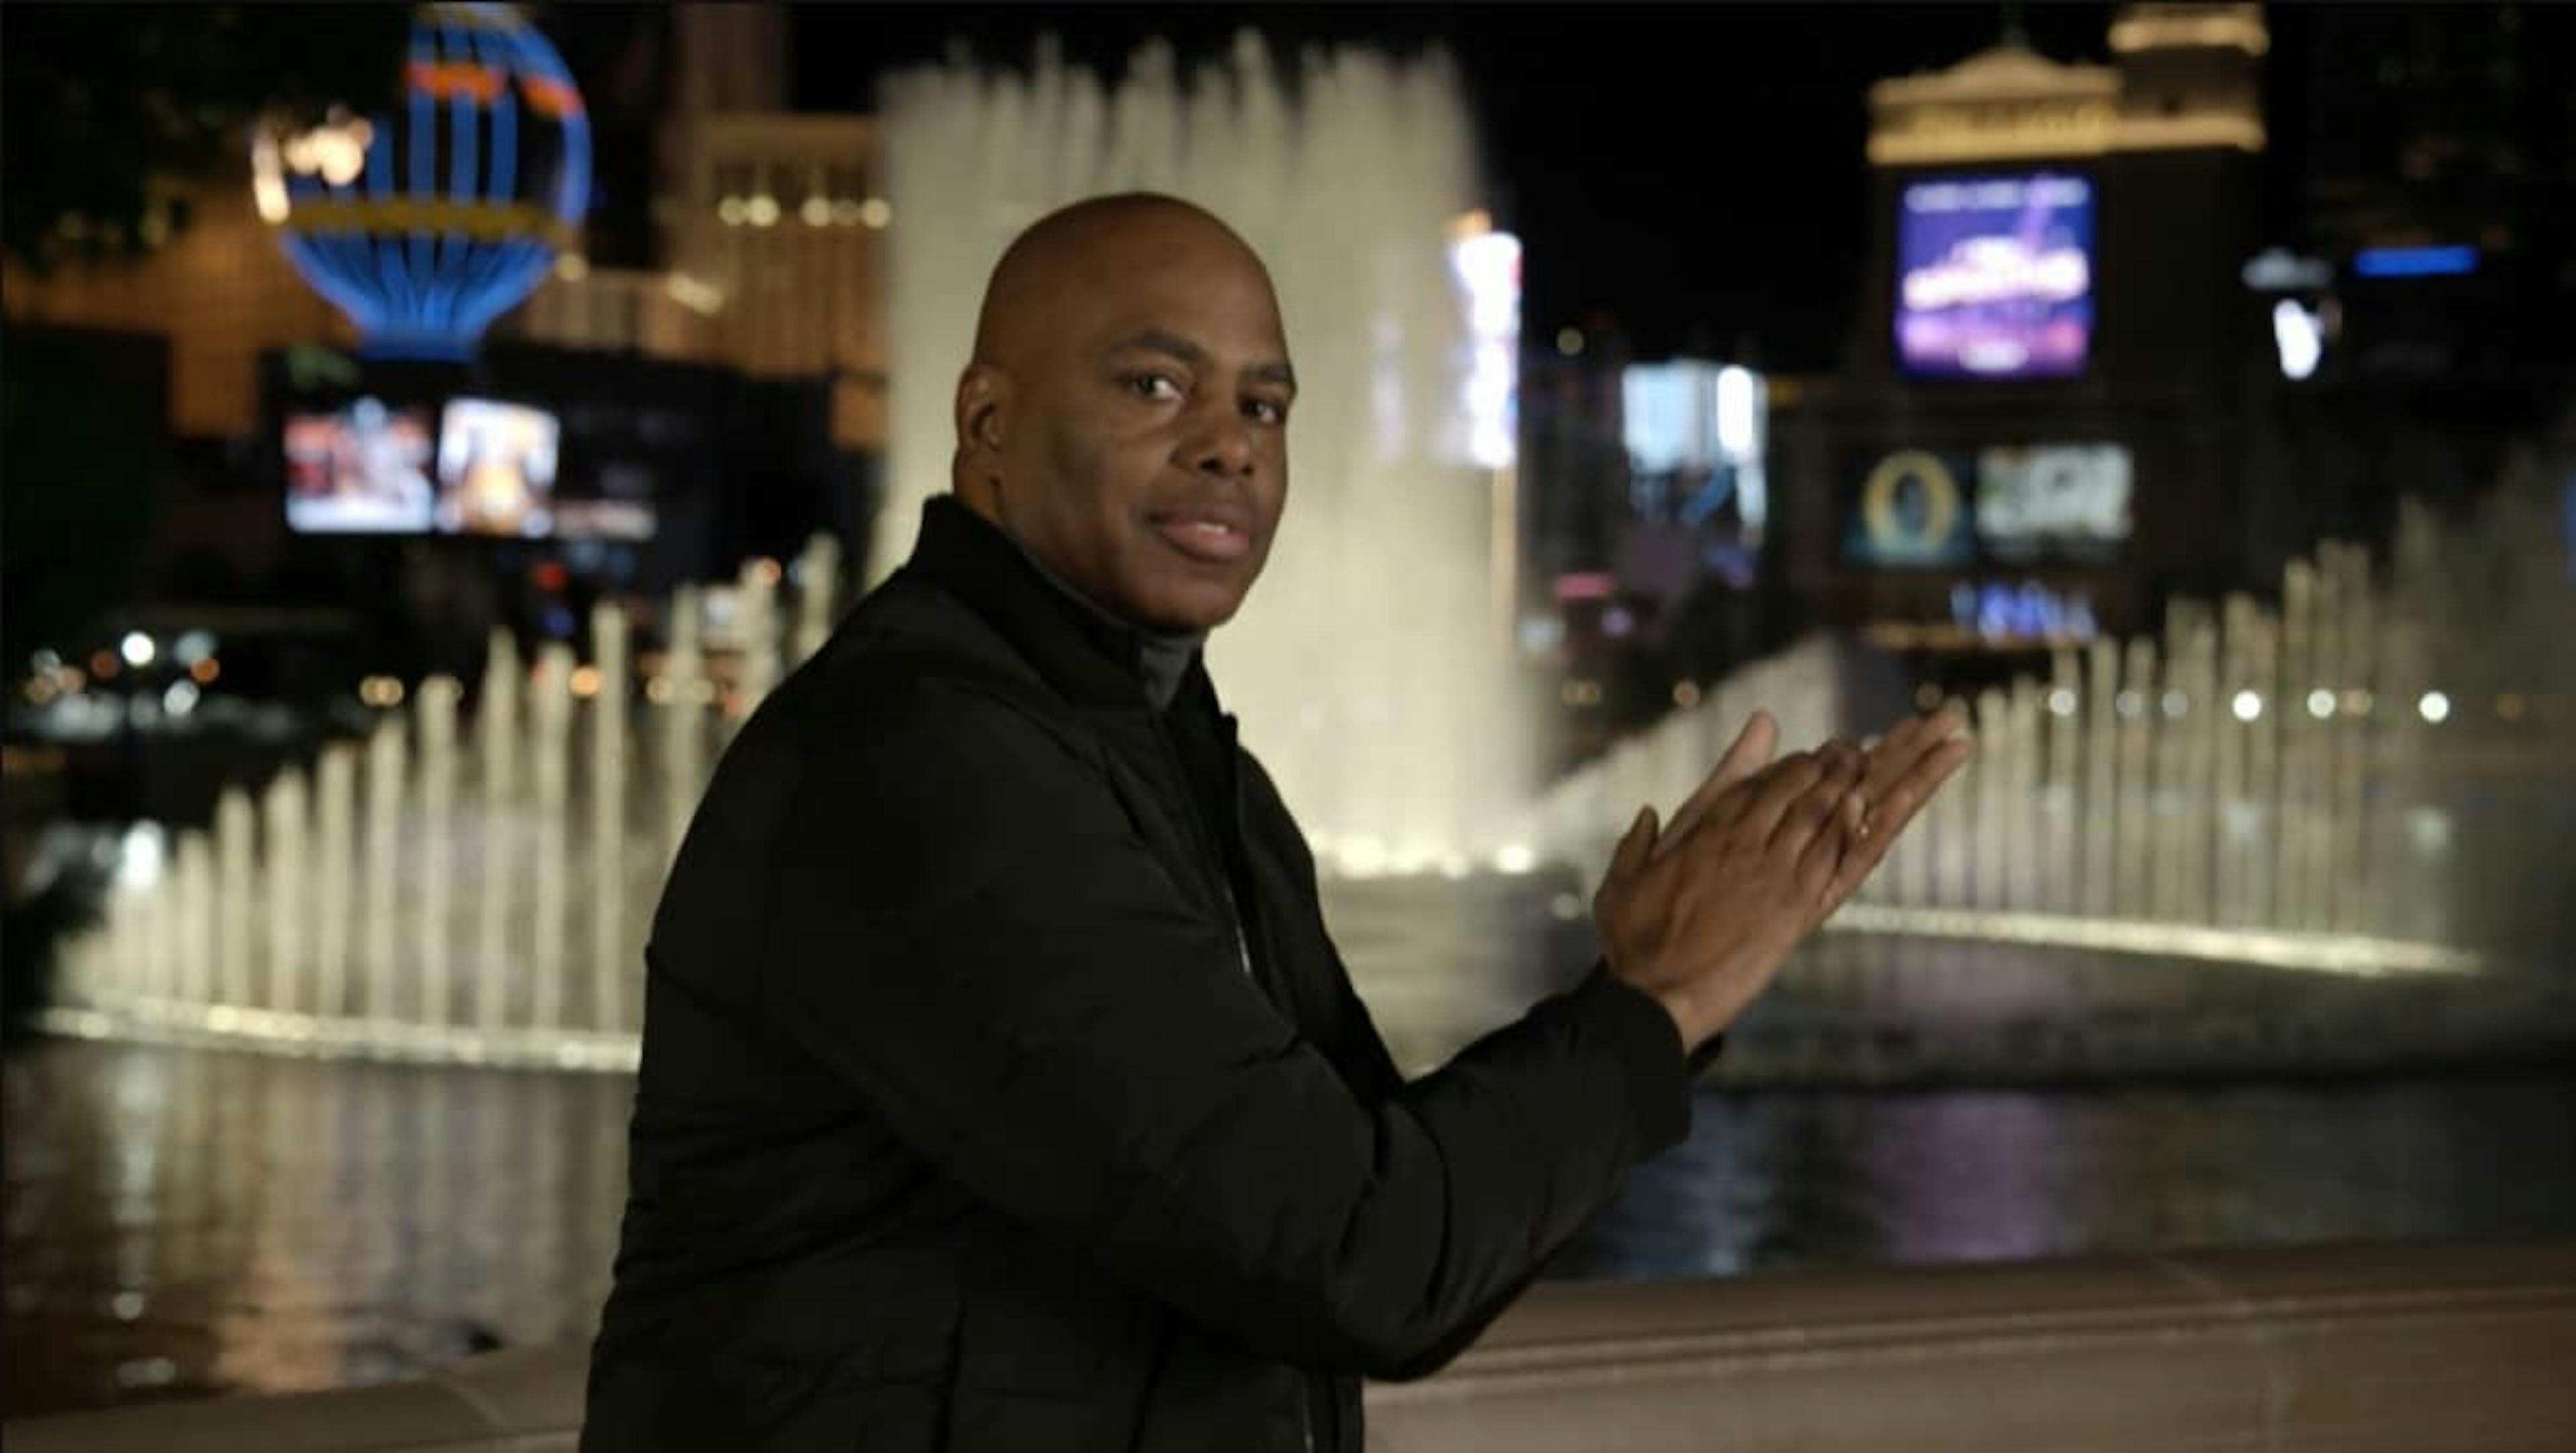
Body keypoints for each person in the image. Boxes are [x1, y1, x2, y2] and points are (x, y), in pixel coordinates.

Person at [581, 194, 1968, 1453]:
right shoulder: (924, 763)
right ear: (989, 426)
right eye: (1156, 385)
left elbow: (1377, 1195)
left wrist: (1644, 990)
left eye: (1265, 407)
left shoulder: (1176, 758)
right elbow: (1365, 1261)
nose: (1229, 448)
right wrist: (1654, 1003)